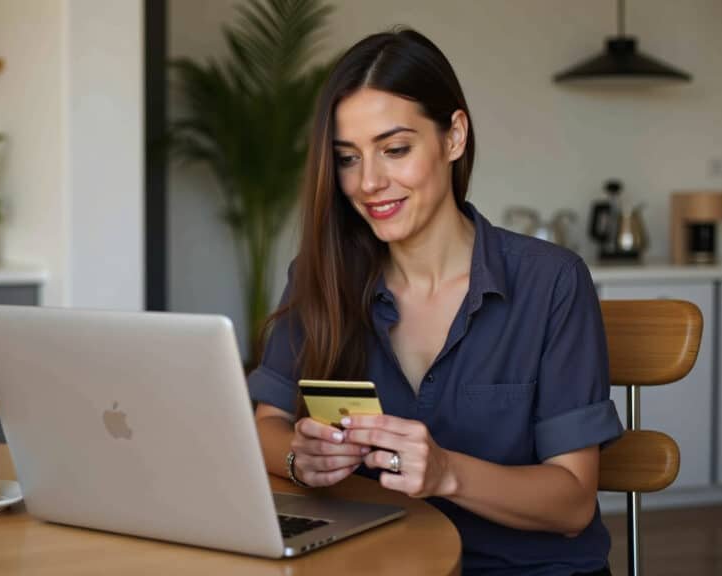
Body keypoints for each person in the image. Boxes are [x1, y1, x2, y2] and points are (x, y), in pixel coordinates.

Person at [248, 29, 623, 576]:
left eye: (395, 149)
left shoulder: (552, 283)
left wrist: (447, 472)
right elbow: (266, 424)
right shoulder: (320, 276)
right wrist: (298, 458)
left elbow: (571, 503)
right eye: (348, 158)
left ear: (454, 136)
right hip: (377, 565)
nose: (369, 183)